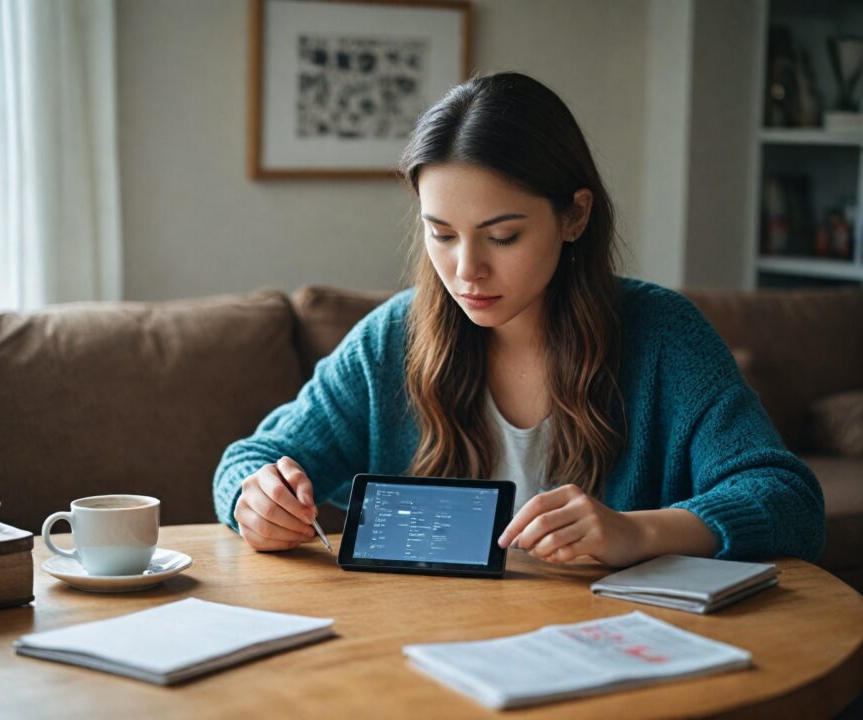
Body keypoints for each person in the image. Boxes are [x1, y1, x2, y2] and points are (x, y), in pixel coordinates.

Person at [213, 72, 824, 567]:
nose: (466, 269)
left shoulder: (663, 334)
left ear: (574, 216)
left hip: (608, 649)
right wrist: (256, 499)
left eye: (502, 236)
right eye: (441, 234)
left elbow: (787, 499)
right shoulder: (392, 338)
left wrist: (637, 533)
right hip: (422, 651)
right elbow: (252, 458)